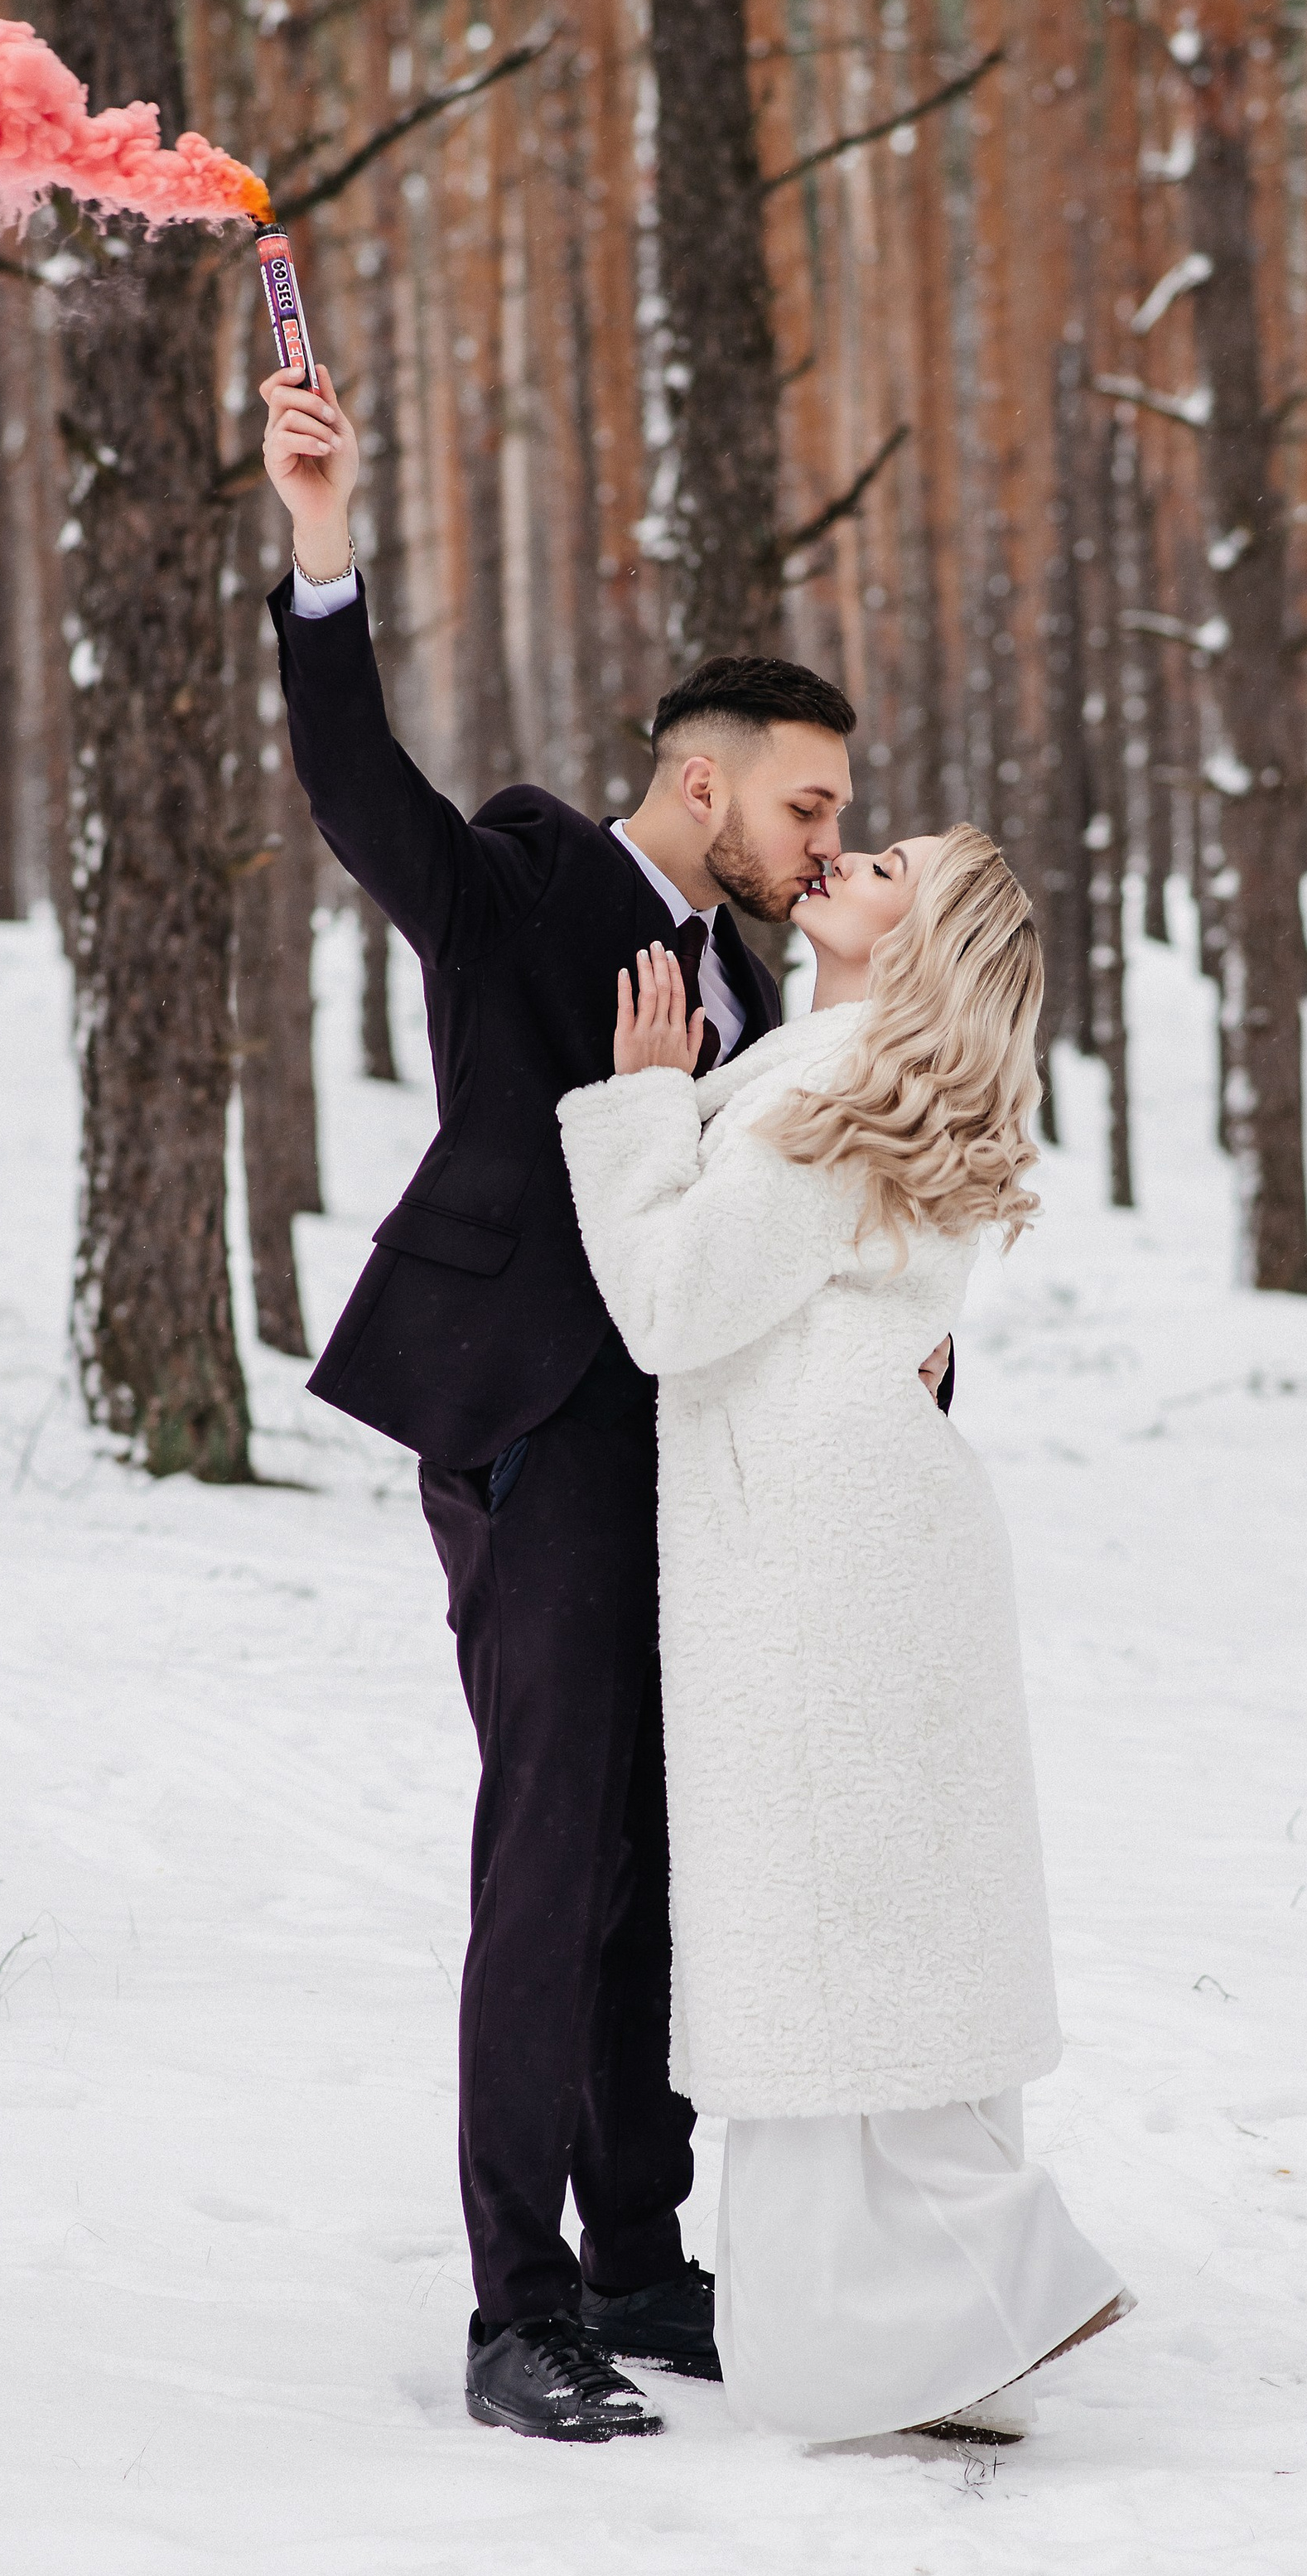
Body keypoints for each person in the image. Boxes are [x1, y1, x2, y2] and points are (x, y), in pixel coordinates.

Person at [259, 356, 869, 2441]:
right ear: (703, 783)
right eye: (806, 805)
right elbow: (362, 791)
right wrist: (322, 544)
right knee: (547, 1859)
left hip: (691, 1459)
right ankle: (514, 2309)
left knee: (655, 1862)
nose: (826, 839)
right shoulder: (525, 886)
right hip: (533, 1430)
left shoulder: (750, 985)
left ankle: (633, 2254)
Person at [558, 828, 1132, 2443]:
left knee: (819, 1922)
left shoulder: (828, 1082)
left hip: (814, 1542)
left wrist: (642, 1106)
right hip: (876, 1521)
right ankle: (952, 2314)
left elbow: (672, 1306)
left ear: (922, 933)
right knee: (879, 1914)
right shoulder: (885, 1078)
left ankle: (969, 2293)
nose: (838, 860)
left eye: (885, 863)